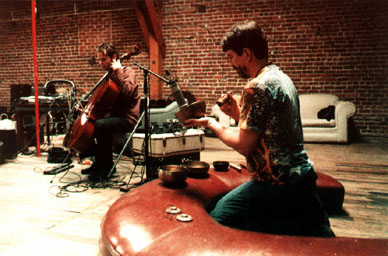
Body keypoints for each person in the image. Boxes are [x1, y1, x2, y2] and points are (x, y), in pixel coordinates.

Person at [183, 21, 335, 237]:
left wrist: (211, 124)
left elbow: (244, 145)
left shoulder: (256, 87)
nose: (231, 63)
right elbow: (271, 129)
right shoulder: (281, 77)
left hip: (276, 186)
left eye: (231, 57)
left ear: (246, 53)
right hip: (302, 179)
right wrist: (238, 114)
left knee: (216, 221)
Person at [81, 43, 140, 182]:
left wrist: (118, 71)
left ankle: (106, 167)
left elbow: (127, 92)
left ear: (113, 57)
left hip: (128, 119)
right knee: (90, 126)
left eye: (103, 60)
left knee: (101, 125)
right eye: (99, 60)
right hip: (114, 117)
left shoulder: (127, 72)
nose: (100, 63)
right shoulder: (110, 76)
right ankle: (99, 163)